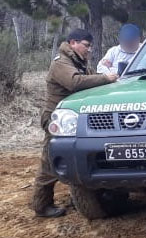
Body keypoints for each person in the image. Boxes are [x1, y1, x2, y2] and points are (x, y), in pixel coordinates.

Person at [34, 29, 117, 218]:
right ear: (73, 43)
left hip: (72, 118)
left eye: (90, 46)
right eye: (86, 45)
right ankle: (41, 205)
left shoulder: (77, 62)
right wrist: (106, 78)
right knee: (50, 163)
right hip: (57, 118)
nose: (89, 49)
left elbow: (89, 78)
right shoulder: (61, 63)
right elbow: (76, 82)